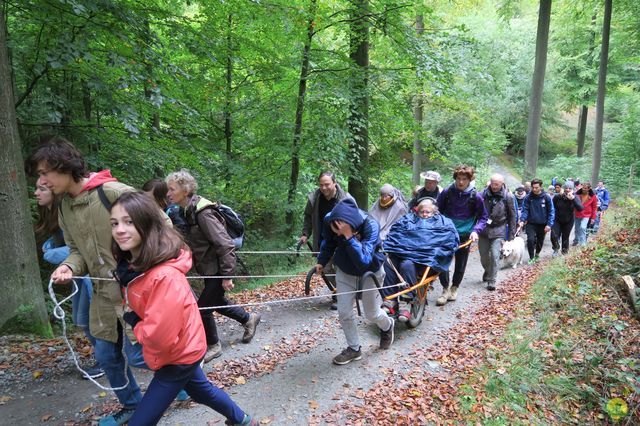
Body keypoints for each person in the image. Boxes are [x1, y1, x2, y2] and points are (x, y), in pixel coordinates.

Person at [110, 192, 257, 426]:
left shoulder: (164, 276)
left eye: (129, 222)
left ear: (147, 224)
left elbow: (160, 337)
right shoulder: (135, 266)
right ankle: (244, 420)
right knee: (202, 392)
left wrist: (136, 323)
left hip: (178, 354)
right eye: (114, 223)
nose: (119, 229)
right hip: (183, 344)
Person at [26, 136, 143, 426]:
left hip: (135, 290)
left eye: (44, 172)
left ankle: (189, 381)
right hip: (102, 293)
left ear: (64, 167)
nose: (43, 180)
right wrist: (68, 266)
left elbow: (160, 229)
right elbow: (77, 251)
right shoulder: (64, 206)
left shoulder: (112, 192)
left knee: (143, 356)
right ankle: (133, 405)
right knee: (106, 355)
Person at [166, 170, 260, 362]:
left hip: (217, 269)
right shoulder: (187, 210)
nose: (168, 193)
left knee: (202, 309)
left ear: (185, 190)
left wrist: (226, 275)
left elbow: (225, 244)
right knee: (215, 302)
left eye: (171, 189)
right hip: (208, 267)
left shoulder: (203, 213)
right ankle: (248, 319)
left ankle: (213, 345)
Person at [34, 178, 104, 379]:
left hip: (90, 277)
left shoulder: (68, 213)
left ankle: (106, 361)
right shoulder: (54, 216)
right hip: (79, 278)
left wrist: (50, 254)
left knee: (93, 321)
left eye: (42, 189)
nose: (36, 193)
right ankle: (105, 358)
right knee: (82, 320)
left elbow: (80, 248)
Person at [315, 198, 395, 365]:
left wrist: (348, 236)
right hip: (345, 269)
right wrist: (322, 261)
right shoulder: (330, 220)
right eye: (335, 230)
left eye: (339, 231)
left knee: (371, 313)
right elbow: (328, 242)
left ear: (350, 224)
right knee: (344, 312)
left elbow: (364, 260)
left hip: (370, 271)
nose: (337, 234)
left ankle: (387, 326)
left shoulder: (371, 225)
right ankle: (354, 348)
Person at [381, 199, 459, 321]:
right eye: (422, 211)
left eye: (428, 212)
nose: (425, 214)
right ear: (417, 211)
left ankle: (405, 303)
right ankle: (389, 300)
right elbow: (395, 235)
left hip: (426, 262)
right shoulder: (407, 219)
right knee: (388, 262)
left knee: (406, 264)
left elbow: (449, 242)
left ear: (434, 211)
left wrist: (429, 252)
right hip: (403, 254)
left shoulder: (444, 223)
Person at [435, 165, 488, 305]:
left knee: (461, 262)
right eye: (458, 178)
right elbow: (436, 210)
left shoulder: (475, 196)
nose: (461, 182)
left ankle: (454, 288)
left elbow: (483, 217)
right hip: (446, 233)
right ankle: (445, 289)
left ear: (469, 180)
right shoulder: (447, 192)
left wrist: (476, 231)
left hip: (465, 235)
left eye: (464, 179)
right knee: (442, 260)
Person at [300, 171, 353, 309]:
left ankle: (344, 295)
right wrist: (306, 233)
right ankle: (342, 292)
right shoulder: (314, 199)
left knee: (342, 268)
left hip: (342, 240)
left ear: (334, 183)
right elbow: (307, 216)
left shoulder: (345, 198)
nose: (324, 188)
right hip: (324, 240)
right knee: (326, 268)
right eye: (321, 185)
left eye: (327, 184)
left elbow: (356, 218)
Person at [479, 174, 517, 291]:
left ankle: (492, 280)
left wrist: (511, 233)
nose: (494, 186)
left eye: (497, 184)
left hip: (499, 229)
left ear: (502, 184)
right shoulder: (482, 194)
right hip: (484, 229)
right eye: (493, 183)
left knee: (495, 256)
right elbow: (476, 212)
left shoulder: (508, 196)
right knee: (484, 256)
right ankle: (488, 271)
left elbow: (512, 215)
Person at [519, 178, 555, 264]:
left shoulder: (546, 197)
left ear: (541, 187)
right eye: (533, 187)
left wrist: (549, 224)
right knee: (530, 240)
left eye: (536, 187)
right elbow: (525, 210)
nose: (534, 189)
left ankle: (537, 254)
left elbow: (551, 211)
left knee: (540, 240)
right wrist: (522, 220)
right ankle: (531, 257)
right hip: (530, 223)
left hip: (543, 224)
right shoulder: (528, 197)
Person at [552, 182, 583, 255]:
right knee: (554, 236)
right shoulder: (558, 196)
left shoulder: (575, 197)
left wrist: (573, 199)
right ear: (563, 188)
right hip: (557, 220)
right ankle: (556, 248)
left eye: (570, 188)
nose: (568, 190)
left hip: (569, 220)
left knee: (565, 237)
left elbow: (580, 208)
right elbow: (552, 207)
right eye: (566, 188)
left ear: (572, 189)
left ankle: (564, 252)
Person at [574, 181, 598, 246]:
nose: (583, 189)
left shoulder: (593, 196)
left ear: (589, 189)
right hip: (577, 214)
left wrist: (593, 218)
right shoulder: (577, 194)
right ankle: (576, 240)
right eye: (583, 188)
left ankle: (583, 243)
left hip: (586, 215)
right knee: (577, 229)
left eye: (585, 188)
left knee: (583, 227)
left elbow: (594, 208)